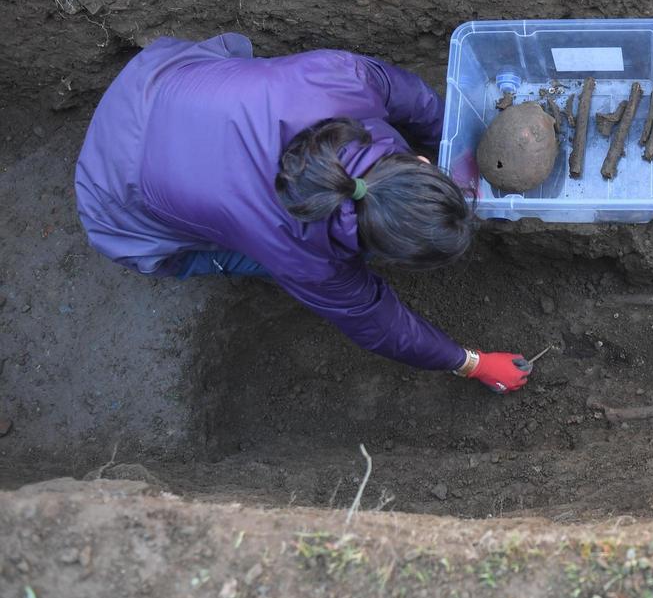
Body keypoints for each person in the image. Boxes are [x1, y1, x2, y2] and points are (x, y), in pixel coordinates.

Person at [74, 33, 529, 393]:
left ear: (423, 162)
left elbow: (411, 96)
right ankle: (194, 252)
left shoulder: (341, 78)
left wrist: (467, 146)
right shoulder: (304, 256)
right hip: (115, 199)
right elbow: (379, 325)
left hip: (156, 83)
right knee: (242, 249)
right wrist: (468, 363)